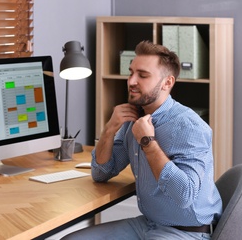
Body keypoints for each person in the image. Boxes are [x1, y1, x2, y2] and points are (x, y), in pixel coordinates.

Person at [62, 41, 222, 240]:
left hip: (187, 232)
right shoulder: (133, 119)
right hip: (148, 223)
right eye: (131, 73)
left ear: (167, 83)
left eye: (143, 75)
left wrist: (148, 141)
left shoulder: (190, 127)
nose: (131, 81)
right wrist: (109, 129)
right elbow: (101, 173)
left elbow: (184, 195)